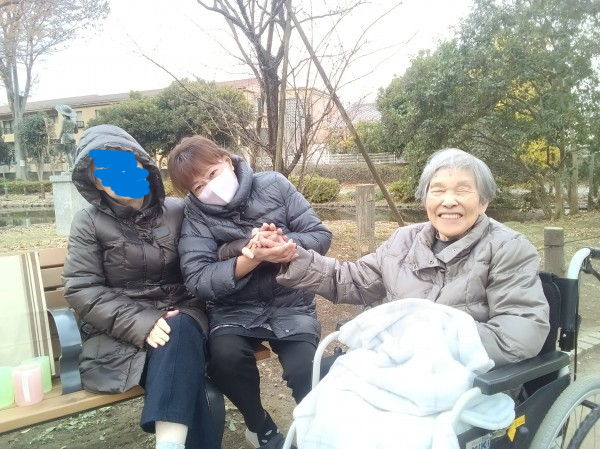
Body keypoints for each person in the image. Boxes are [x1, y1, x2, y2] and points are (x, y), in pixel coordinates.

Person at [276, 148, 550, 368]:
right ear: (425, 199)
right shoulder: (403, 240)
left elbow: (518, 335)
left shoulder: (507, 248)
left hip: (466, 380)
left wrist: (424, 338)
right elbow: (352, 280)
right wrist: (290, 255)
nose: (449, 201)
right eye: (438, 190)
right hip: (397, 365)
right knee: (325, 381)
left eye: (462, 190)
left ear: (483, 201)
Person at [167, 135, 332, 449]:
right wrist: (250, 256)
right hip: (233, 308)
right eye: (199, 186)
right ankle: (260, 426)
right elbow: (198, 277)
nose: (210, 187)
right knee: (225, 358)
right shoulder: (195, 215)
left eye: (212, 173)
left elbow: (319, 235)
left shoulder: (274, 184)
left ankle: (316, 432)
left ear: (227, 161)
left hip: (290, 302)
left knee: (305, 368)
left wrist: (283, 245)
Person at [62, 125, 219, 449]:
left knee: (179, 328)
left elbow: (212, 248)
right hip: (119, 331)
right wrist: (143, 323)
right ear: (96, 182)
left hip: (184, 316)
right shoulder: (88, 222)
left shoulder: (178, 210)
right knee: (192, 382)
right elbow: (82, 288)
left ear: (142, 165)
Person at [55, 104, 79, 169]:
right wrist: (71, 129)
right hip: (73, 137)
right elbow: (76, 131)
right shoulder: (73, 122)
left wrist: (59, 138)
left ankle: (72, 167)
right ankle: (74, 166)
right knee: (73, 153)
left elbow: (62, 130)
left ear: (64, 114)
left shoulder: (64, 120)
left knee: (68, 153)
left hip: (66, 137)